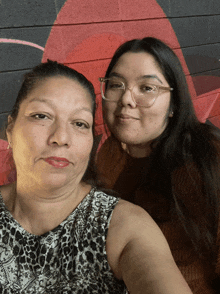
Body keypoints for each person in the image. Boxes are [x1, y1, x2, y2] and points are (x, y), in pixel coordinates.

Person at [0, 60, 192, 294]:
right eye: (42, 116)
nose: (61, 137)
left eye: (80, 123)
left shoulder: (124, 226)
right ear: (10, 130)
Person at [96, 37, 220, 293]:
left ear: (173, 104)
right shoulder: (110, 152)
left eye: (147, 88)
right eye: (116, 84)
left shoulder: (208, 160)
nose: (127, 100)